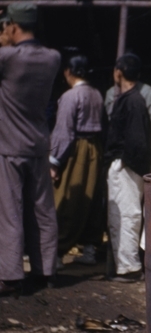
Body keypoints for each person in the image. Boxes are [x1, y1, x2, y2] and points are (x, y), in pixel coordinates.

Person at [0, 2, 60, 295]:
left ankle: (11, 276)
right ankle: (46, 270)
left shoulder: (8, 57)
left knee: (10, 212)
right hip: (39, 143)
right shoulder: (52, 58)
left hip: (9, 146)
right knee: (43, 211)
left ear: (12, 26)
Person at [49, 54, 104, 267]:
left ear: (68, 72)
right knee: (90, 197)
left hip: (76, 149)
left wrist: (54, 161)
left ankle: (56, 253)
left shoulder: (71, 96)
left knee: (68, 198)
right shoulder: (96, 94)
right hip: (94, 149)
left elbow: (64, 132)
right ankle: (89, 248)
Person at [105, 53, 151, 282]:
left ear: (118, 72)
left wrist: (126, 162)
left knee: (125, 215)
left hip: (127, 165)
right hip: (128, 164)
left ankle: (129, 267)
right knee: (124, 215)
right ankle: (126, 265)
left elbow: (136, 141)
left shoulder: (132, 101)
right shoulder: (133, 99)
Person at [104, 66, 151, 145]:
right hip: (117, 147)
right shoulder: (111, 93)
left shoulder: (148, 93)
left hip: (141, 147)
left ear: (117, 74)